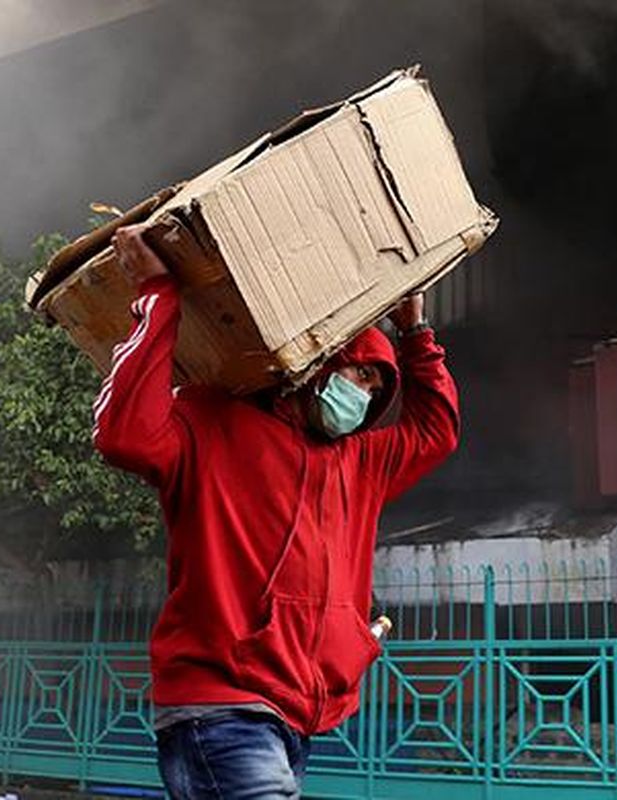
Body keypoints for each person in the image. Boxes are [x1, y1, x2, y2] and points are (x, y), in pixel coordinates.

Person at [92, 223, 460, 799]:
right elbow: (124, 436)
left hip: (297, 714)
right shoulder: (212, 419)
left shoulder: (360, 463)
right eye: (358, 372)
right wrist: (158, 296)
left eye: (375, 386)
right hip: (220, 704)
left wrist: (414, 330)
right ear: (316, 363)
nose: (363, 394)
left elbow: (437, 429)